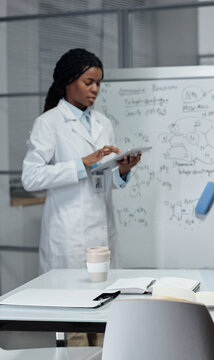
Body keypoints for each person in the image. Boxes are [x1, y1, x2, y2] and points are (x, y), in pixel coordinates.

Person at [22, 48, 141, 274]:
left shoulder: (103, 123)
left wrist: (122, 171)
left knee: (106, 299)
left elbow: (102, 181)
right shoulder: (48, 123)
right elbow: (31, 178)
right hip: (69, 237)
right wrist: (82, 163)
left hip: (103, 233)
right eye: (89, 82)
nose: (95, 89)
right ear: (69, 80)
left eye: (98, 83)